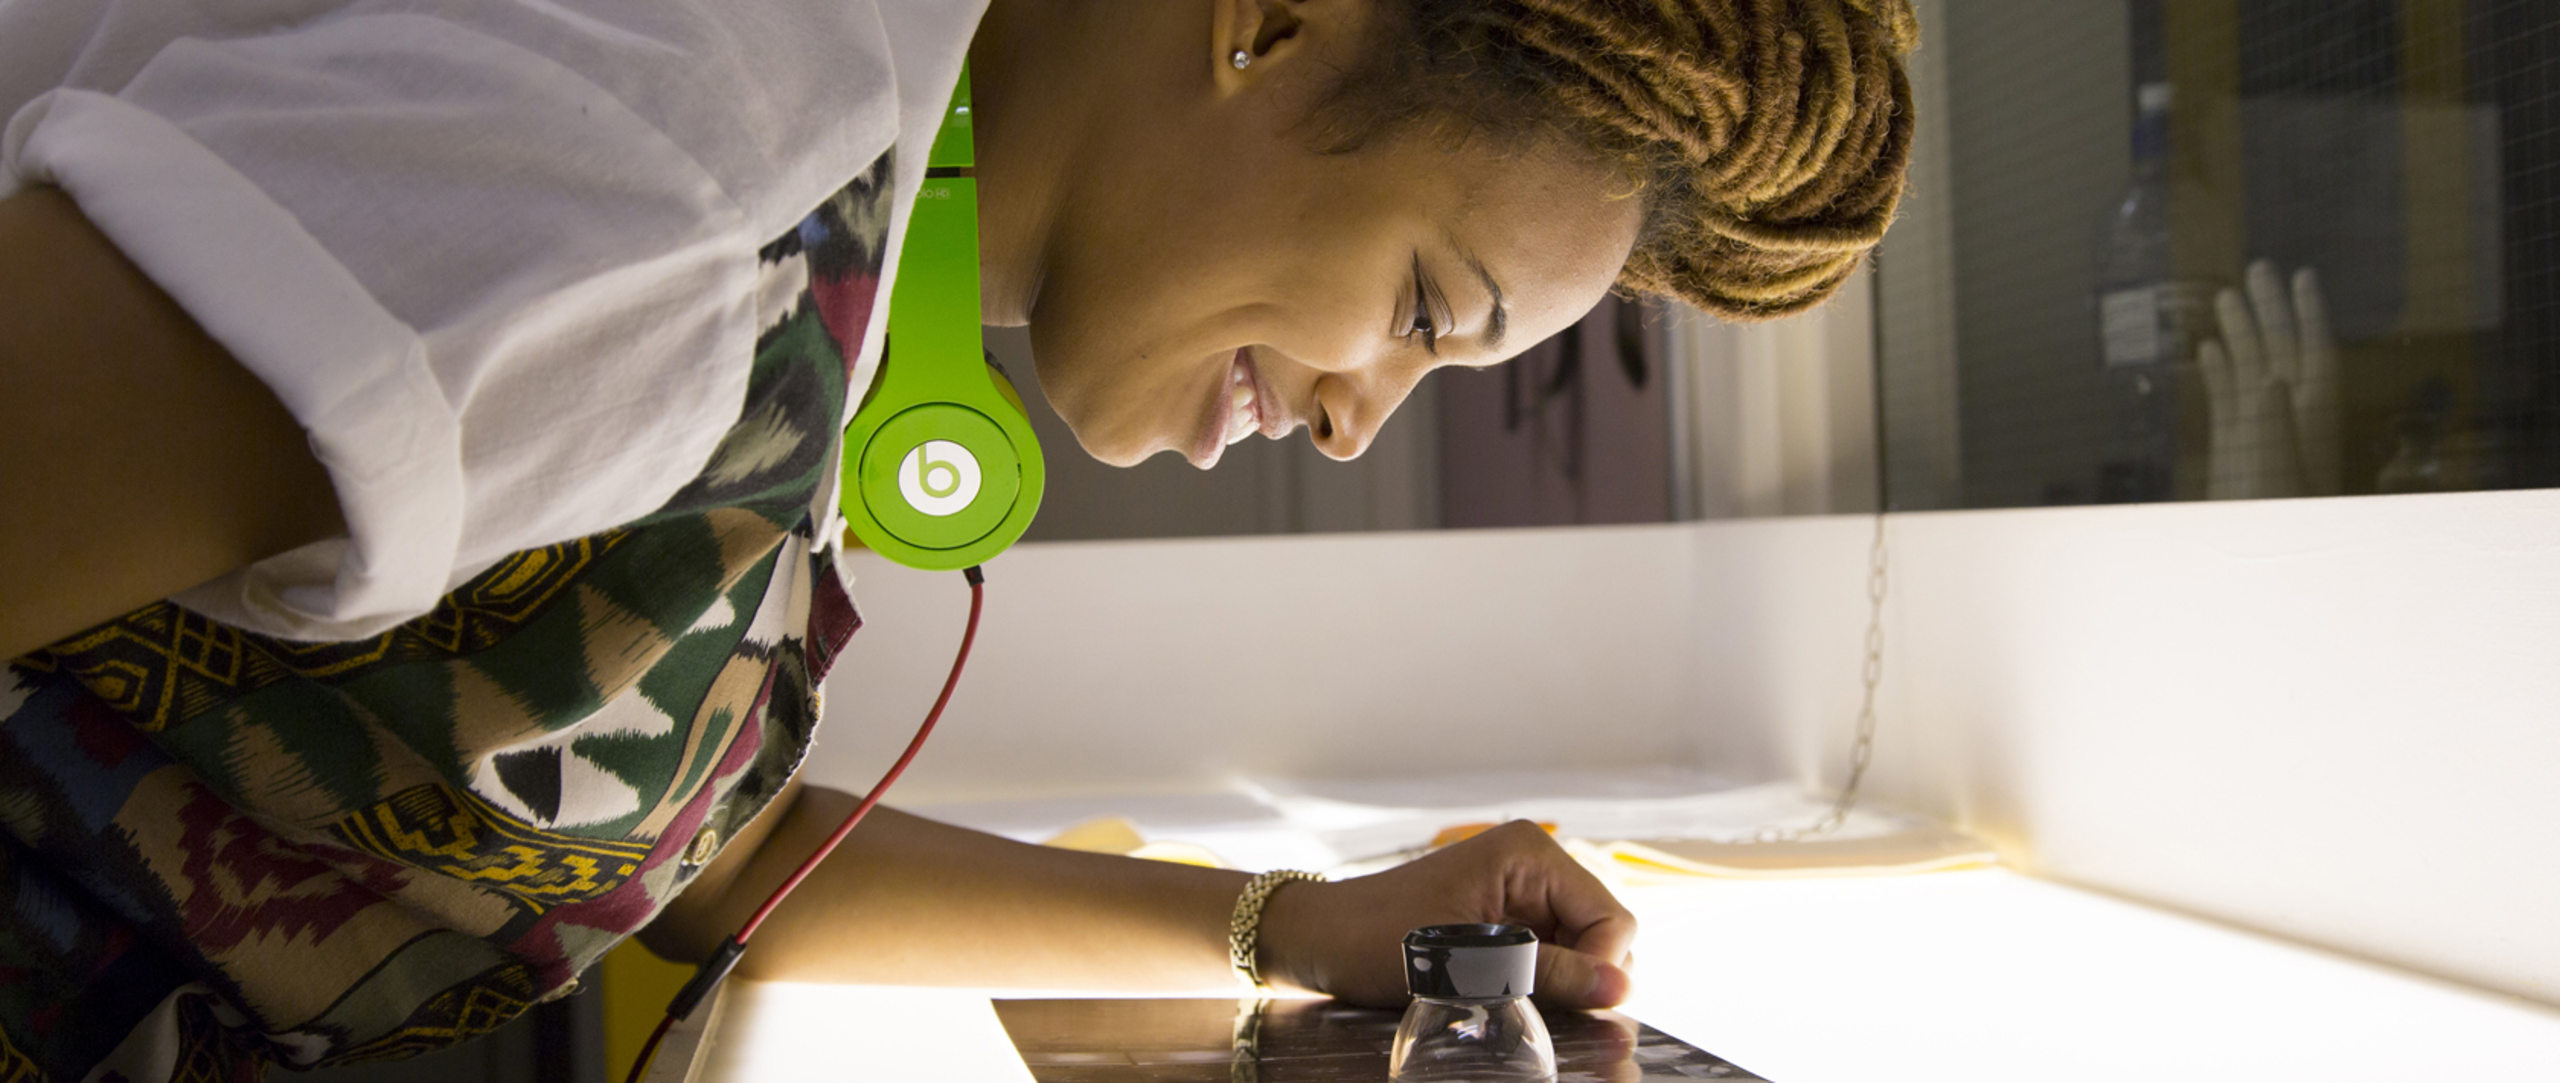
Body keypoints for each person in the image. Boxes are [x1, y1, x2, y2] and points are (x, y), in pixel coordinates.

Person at [0, 0, 1919, 1077]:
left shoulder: (803, 206)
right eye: (1430, 306)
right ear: (1270, 26)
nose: (1359, 415)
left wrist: (1289, 936)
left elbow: (674, 852)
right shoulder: (654, 183)